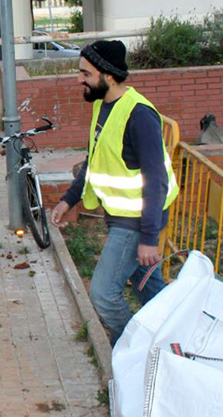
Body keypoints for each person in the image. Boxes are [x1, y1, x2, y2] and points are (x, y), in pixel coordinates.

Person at [50, 40, 179, 346]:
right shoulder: (102, 106)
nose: (79, 78)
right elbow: (93, 162)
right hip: (121, 216)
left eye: (85, 73)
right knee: (149, 287)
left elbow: (156, 180)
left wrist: (148, 239)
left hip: (136, 221)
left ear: (107, 75)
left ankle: (134, 348)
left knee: (104, 295)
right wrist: (69, 200)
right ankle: (176, 337)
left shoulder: (139, 115)